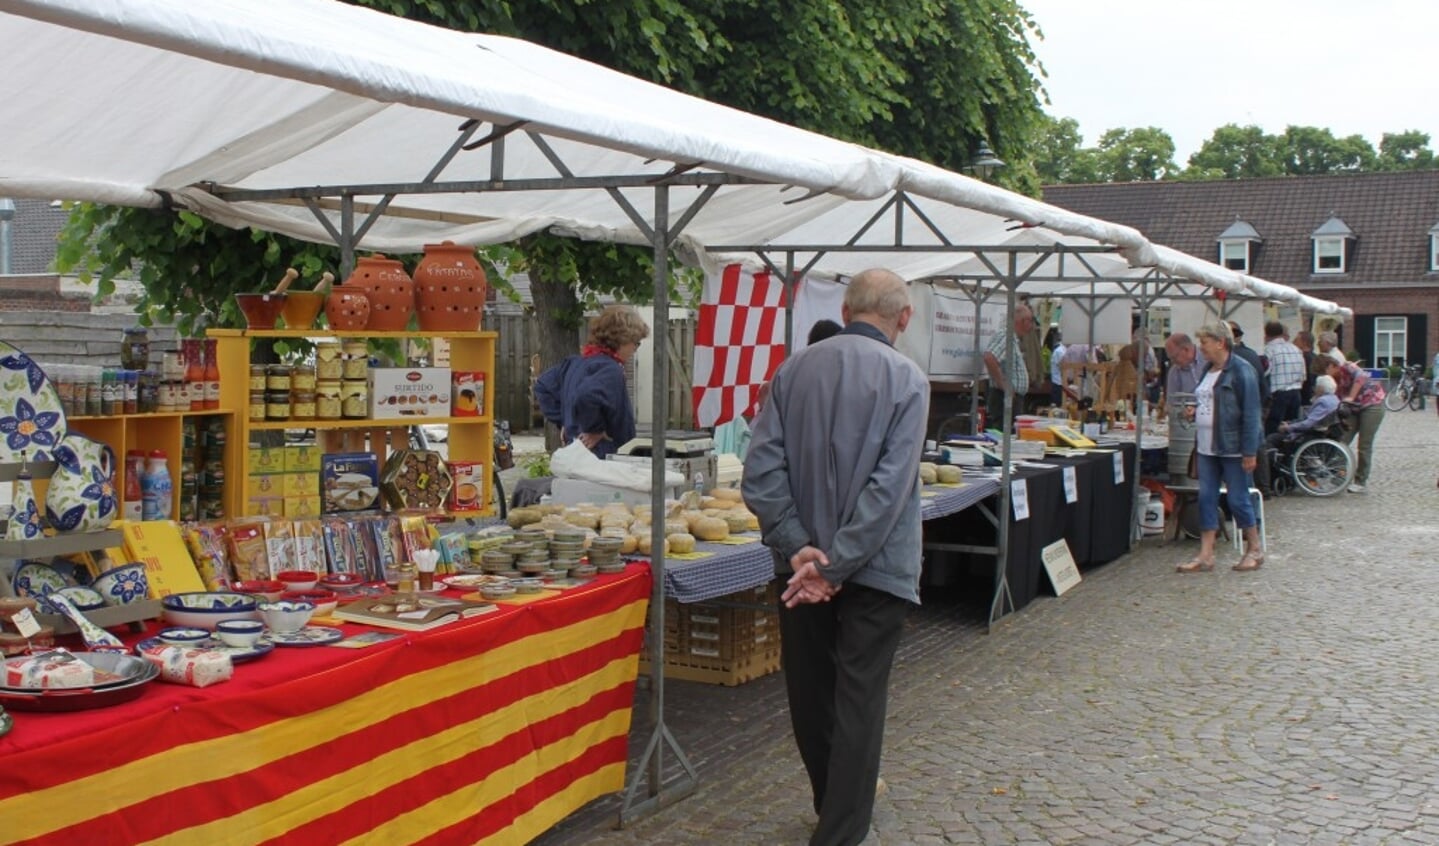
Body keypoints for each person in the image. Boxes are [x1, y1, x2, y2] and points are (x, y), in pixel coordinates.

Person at [742, 268, 927, 846]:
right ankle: (842, 830)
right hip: (872, 568)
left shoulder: (792, 370)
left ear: (846, 309)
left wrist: (803, 551)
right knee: (858, 700)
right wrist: (831, 562)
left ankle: (834, 809)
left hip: (804, 568)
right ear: (904, 318)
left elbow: (761, 473)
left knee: (812, 694)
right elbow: (889, 490)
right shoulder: (907, 379)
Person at [1177, 320, 1264, 574]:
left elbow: (1251, 413)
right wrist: (1194, 410)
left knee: (1238, 498)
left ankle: (1254, 549)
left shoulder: (1241, 371)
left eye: (1204, 343)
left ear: (1220, 342)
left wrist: (1249, 451)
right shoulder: (1207, 370)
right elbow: (1206, 399)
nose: (1201, 348)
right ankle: (1206, 554)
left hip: (1232, 446)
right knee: (1206, 497)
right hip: (1207, 446)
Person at [532, 304, 649, 458]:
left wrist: (564, 420)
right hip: (601, 453)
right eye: (636, 343)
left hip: (575, 450)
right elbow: (587, 396)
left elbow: (542, 385)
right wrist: (595, 429)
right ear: (622, 339)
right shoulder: (610, 369)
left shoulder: (575, 363)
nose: (635, 348)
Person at [1253, 374, 1340, 494]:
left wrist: (1289, 427)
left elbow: (1308, 423)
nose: (1314, 388)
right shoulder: (1333, 399)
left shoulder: (1323, 402)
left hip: (1308, 435)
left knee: (1271, 439)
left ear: (1320, 388)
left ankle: (1268, 480)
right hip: (1314, 433)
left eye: (1316, 386)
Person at [1323, 350, 1386, 493]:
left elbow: (1361, 376)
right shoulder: (1332, 380)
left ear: (1333, 366)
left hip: (1372, 404)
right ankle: (1340, 475)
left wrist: (1351, 397)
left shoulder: (1348, 367)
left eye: (1326, 370)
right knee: (1342, 439)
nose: (1326, 375)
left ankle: (1360, 480)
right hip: (1354, 408)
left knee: (1364, 444)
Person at [984, 302, 1034, 428]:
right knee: (1004, 435)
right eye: (1030, 321)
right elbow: (990, 357)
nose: (1031, 326)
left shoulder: (1013, 338)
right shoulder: (1006, 336)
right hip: (1003, 398)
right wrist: (1004, 385)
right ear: (1023, 321)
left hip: (1011, 398)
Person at [1262, 321, 1305, 435]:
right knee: (1291, 428)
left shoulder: (1268, 350)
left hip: (1279, 395)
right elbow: (1303, 375)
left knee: (1273, 428)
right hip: (1296, 394)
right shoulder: (1296, 350)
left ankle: (1271, 451)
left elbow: (1264, 372)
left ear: (1266, 334)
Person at [1163, 332, 1205, 407]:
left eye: (1174, 357)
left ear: (1186, 350)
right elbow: (1172, 404)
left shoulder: (1208, 359)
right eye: (1170, 359)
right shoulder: (1174, 372)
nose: (1173, 362)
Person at [1293, 330, 1317, 405]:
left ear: (1304, 343)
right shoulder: (1315, 357)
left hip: (1304, 398)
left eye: (1296, 340)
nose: (1293, 342)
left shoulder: (1302, 358)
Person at [1045, 327, 1066, 407]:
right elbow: (1062, 368)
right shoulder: (1059, 351)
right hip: (1058, 384)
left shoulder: (1065, 350)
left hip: (1062, 384)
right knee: (1057, 406)